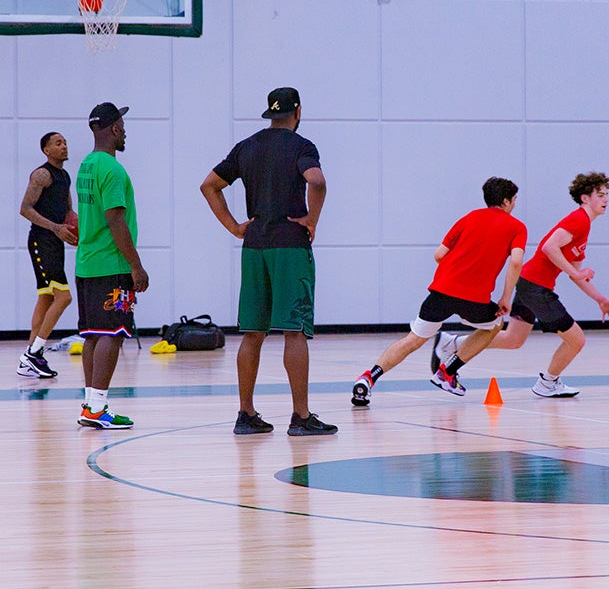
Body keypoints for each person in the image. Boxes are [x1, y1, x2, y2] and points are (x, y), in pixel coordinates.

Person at [200, 87, 336, 436]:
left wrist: (234, 227)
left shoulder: (248, 146)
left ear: (269, 113)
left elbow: (209, 186)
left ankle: (245, 414)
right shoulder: (301, 146)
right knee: (294, 331)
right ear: (298, 112)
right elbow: (316, 181)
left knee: (252, 332)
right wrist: (311, 220)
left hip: (255, 245)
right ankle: (301, 417)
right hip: (289, 247)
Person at [432, 171, 609, 398]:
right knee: (577, 340)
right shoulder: (578, 220)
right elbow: (549, 247)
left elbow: (576, 273)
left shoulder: (584, 226)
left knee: (513, 340)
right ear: (585, 198)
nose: (606, 199)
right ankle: (548, 383)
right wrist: (575, 274)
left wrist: (601, 300)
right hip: (535, 287)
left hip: (530, 283)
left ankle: (451, 343)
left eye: (607, 194)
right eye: (600, 194)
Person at [351, 177, 526, 404]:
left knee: (413, 340)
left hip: (441, 292)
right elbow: (516, 262)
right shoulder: (517, 227)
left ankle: (368, 378)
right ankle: (448, 371)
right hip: (474, 299)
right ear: (505, 201)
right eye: (514, 200)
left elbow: (439, 255)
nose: (514, 205)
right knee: (494, 325)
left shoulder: (468, 218)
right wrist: (505, 297)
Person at [75, 103, 148, 429]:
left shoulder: (87, 164)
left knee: (93, 335)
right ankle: (98, 407)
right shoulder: (113, 170)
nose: (126, 130)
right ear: (114, 129)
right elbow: (116, 220)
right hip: (112, 264)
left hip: (87, 264)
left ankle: (91, 404)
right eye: (123, 124)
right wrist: (136, 266)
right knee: (112, 334)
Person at [18, 132, 78, 378]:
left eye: (65, 142)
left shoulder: (64, 175)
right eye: (58, 143)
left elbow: (69, 212)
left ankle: (28, 362)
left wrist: (76, 230)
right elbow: (25, 209)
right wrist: (55, 228)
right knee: (63, 298)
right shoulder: (41, 174)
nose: (64, 146)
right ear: (46, 150)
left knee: (45, 298)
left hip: (55, 243)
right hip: (41, 241)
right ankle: (34, 353)